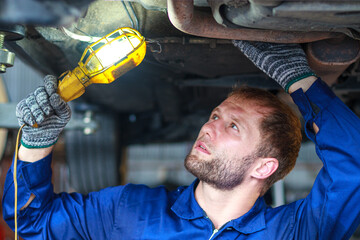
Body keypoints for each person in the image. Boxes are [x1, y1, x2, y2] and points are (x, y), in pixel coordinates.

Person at [2, 41, 360, 240]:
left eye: (233, 127)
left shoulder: (293, 233)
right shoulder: (130, 211)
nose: (208, 127)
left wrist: (298, 78)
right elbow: (30, 220)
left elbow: (354, 165)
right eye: (216, 116)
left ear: (264, 166)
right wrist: (37, 141)